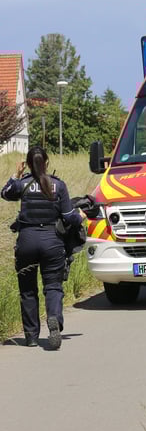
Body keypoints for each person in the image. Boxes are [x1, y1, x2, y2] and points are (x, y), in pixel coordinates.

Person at [1, 146, 83, 349]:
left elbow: (4, 194)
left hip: (27, 241)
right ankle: (54, 318)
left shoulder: (23, 184)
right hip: (52, 241)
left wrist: (16, 174)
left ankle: (30, 336)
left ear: (28, 164)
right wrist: (80, 216)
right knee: (53, 286)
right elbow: (68, 217)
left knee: (27, 290)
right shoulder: (58, 185)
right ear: (46, 163)